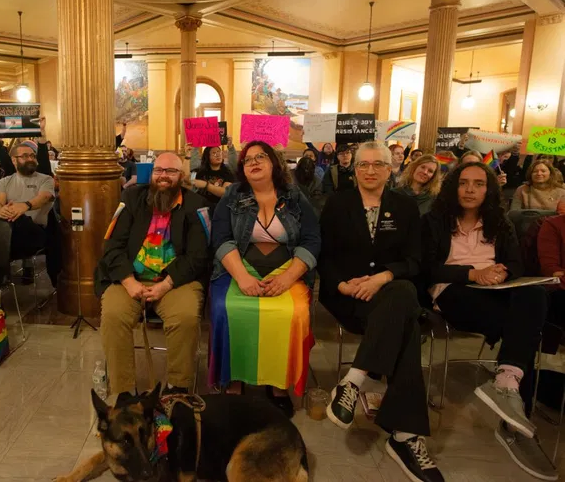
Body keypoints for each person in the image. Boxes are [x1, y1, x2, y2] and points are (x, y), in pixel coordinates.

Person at [423, 162, 555, 481]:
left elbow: (514, 263)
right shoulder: (434, 221)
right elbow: (424, 267)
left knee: (535, 296)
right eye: (464, 183)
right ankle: (513, 416)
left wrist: (502, 273)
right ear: (453, 186)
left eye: (479, 184)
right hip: (453, 291)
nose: (471, 190)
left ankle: (506, 381)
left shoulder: (500, 222)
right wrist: (471, 273)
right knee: (524, 325)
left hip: (495, 289)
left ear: (489, 189)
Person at [319, 141, 441, 482]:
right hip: (346, 295)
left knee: (400, 291)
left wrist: (383, 277)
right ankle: (404, 437)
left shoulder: (404, 207)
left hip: (388, 293)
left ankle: (354, 381)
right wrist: (343, 284)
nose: (370, 171)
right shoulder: (337, 203)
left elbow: (414, 260)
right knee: (405, 314)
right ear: (354, 169)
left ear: (391, 169)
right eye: (363, 165)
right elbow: (324, 256)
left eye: (378, 164)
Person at [209, 141, 320, 416]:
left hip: (286, 268)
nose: (254, 163)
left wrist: (289, 278)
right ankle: (234, 382)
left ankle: (279, 384)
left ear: (274, 163)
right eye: (248, 160)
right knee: (227, 309)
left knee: (293, 312)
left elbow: (312, 240)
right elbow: (221, 238)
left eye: (261, 157)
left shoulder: (294, 196)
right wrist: (243, 277)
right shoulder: (233, 195)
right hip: (239, 266)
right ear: (242, 169)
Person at [96, 152, 208, 400]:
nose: (163, 176)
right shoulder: (131, 198)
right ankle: (124, 390)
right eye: (159, 170)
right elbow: (112, 245)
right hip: (129, 278)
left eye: (171, 171)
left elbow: (198, 256)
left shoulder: (196, 205)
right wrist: (128, 281)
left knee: (185, 317)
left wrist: (166, 285)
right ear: (151, 173)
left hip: (176, 281)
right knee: (114, 316)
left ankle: (177, 389)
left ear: (182, 177)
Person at [0, 142, 61, 287]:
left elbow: (44, 197)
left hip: (36, 234)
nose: (30, 159)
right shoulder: (4, 182)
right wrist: (1, 210)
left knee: (20, 220)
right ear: (14, 160)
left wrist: (24, 206)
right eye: (24, 156)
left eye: (32, 156)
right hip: (9, 235)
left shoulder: (45, 179)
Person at [190, 146, 235, 213]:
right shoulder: (200, 172)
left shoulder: (227, 172)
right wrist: (188, 155)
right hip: (201, 209)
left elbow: (225, 192)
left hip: (221, 209)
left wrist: (206, 185)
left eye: (219, 152)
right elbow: (188, 181)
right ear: (207, 157)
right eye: (214, 153)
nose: (218, 155)